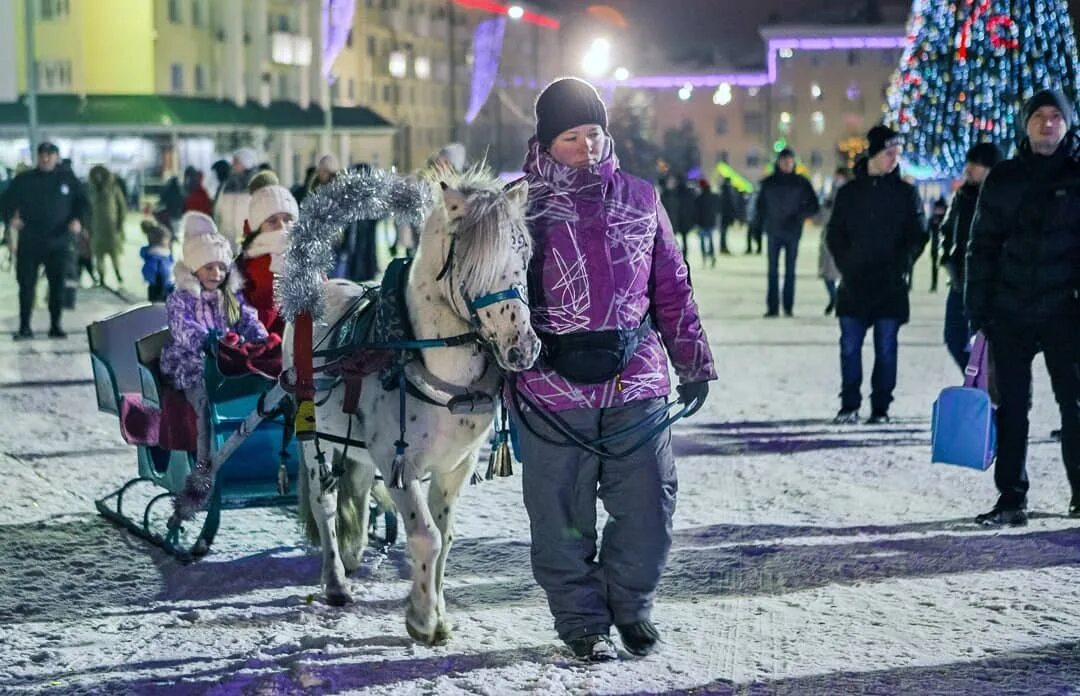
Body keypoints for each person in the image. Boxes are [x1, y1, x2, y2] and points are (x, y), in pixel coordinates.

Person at [514, 77, 716, 662]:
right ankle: (581, 619)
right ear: (547, 142)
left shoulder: (641, 198)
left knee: (651, 501)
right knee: (561, 513)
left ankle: (630, 604)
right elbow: (492, 294)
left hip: (637, 374)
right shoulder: (518, 205)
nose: (587, 147)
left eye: (594, 134)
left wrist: (692, 360)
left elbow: (672, 287)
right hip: (550, 383)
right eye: (572, 137)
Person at [965, 90, 1080, 526]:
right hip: (1010, 310)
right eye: (1039, 117)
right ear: (1025, 124)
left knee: (1076, 405)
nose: (1047, 124)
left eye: (1056, 117)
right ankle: (1011, 497)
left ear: (1067, 124)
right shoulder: (1005, 177)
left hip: (1065, 313)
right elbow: (983, 246)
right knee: (1012, 407)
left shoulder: (1076, 175)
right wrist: (979, 307)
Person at [825, 125, 928, 424]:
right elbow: (835, 234)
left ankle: (881, 406)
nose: (894, 159)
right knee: (849, 347)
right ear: (874, 153)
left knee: (886, 348)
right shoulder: (850, 193)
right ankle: (849, 404)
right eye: (888, 153)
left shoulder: (906, 193)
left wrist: (903, 263)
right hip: (855, 283)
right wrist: (847, 264)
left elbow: (918, 234)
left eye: (897, 153)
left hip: (890, 284)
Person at [160, 212, 268, 489]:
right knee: (205, 405)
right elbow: (183, 330)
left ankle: (253, 456)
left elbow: (247, 318)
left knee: (259, 389)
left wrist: (261, 338)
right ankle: (203, 467)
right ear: (194, 268)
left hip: (225, 360)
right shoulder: (181, 299)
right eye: (209, 268)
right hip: (191, 364)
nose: (216, 274)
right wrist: (207, 341)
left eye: (221, 268)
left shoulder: (228, 297)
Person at [0, 142, 87, 339]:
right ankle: (24, 327)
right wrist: (10, 218)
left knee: (57, 286)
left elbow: (82, 203)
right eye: (42, 155)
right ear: (37, 158)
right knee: (26, 286)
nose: (46, 158)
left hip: (59, 243)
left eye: (50, 155)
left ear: (56, 157)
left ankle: (55, 326)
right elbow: (5, 201)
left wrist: (78, 220)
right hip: (30, 241)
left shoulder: (68, 179)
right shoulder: (24, 180)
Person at [939, 142, 1002, 371]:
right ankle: (979, 384)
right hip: (959, 283)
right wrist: (947, 257)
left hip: (991, 285)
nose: (968, 169)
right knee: (954, 337)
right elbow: (946, 230)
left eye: (974, 164)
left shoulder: (1002, 199)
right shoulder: (962, 196)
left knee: (991, 346)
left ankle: (992, 394)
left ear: (989, 168)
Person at [753, 148, 820, 317]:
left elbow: (814, 205)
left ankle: (788, 306)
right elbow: (760, 208)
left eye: (790, 161)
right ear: (779, 162)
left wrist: (800, 217)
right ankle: (773, 307)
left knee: (790, 271)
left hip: (792, 232)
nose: (787, 164)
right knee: (772, 271)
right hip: (773, 231)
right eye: (784, 161)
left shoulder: (802, 182)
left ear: (793, 163)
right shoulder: (768, 183)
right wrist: (758, 227)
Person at [237, 171, 298, 335]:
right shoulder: (257, 263)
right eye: (272, 221)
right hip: (273, 346)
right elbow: (262, 317)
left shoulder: (305, 254)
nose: (282, 226)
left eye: (287, 219)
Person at [87, 164, 127, 287]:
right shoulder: (90, 190)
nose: (98, 178)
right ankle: (102, 278)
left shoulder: (113, 188)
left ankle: (118, 274)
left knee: (114, 254)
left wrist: (120, 224)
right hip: (96, 229)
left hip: (111, 228)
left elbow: (122, 207)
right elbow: (86, 209)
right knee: (98, 256)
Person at [817, 167, 850, 315]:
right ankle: (834, 298)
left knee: (842, 274)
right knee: (827, 274)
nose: (837, 180)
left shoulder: (851, 195)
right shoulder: (830, 196)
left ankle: (839, 300)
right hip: (829, 237)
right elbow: (822, 217)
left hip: (845, 238)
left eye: (839, 177)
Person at [215, 148, 258, 249]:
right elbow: (218, 213)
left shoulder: (257, 186)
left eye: (236, 162)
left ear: (246, 164)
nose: (232, 165)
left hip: (249, 244)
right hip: (227, 244)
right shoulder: (226, 186)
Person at [139, 219, 174, 302]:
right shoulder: (168, 258)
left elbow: (147, 273)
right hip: (166, 284)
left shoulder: (150, 256)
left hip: (154, 285)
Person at [693, 179, 721, 267]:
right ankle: (712, 257)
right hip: (711, 222)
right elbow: (718, 209)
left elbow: (696, 212)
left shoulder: (699, 198)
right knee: (711, 241)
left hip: (701, 223)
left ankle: (704, 258)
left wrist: (696, 223)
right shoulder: (714, 196)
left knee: (702, 242)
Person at [927, 196, 948, 293]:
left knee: (949, 265)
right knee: (934, 266)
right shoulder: (933, 219)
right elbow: (927, 230)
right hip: (935, 246)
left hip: (947, 246)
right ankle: (934, 284)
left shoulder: (948, 218)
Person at [718, 177, 737, 255]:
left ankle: (723, 247)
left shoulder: (721, 192)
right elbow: (730, 205)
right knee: (724, 233)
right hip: (726, 216)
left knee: (723, 233)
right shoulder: (728, 192)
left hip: (722, 216)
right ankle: (723, 247)